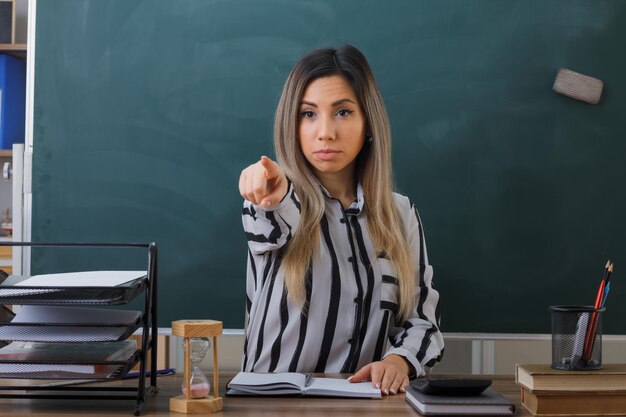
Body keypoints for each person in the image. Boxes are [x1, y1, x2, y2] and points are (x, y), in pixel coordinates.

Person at [238, 45, 443, 395]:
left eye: (343, 112)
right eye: (308, 114)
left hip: (362, 403)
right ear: (292, 124)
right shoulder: (279, 200)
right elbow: (268, 216)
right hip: (269, 402)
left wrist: (399, 361)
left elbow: (422, 322)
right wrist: (262, 184)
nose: (326, 132)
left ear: (368, 124)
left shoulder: (400, 214)